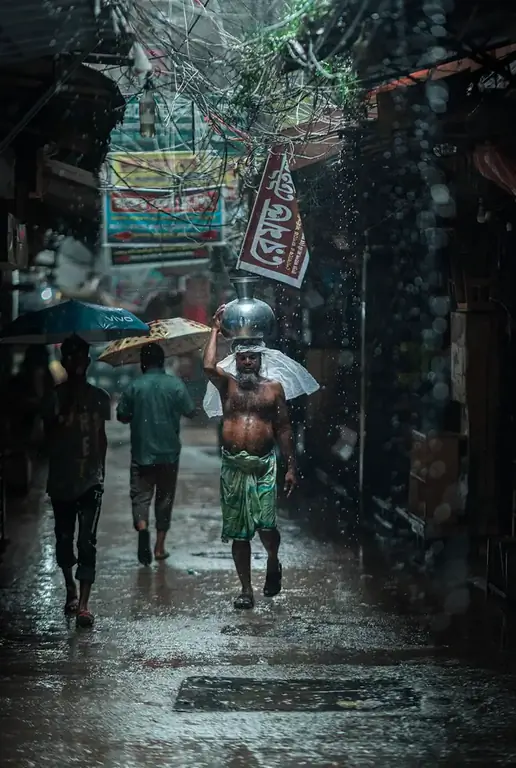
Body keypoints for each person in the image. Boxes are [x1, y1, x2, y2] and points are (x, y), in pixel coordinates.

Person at [203, 306, 304, 611]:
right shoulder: (227, 384)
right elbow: (208, 366)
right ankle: (246, 588)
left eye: (252, 356)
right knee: (239, 530)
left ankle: (273, 560)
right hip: (234, 465)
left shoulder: (273, 390)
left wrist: (291, 467)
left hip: (263, 465)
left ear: (261, 360)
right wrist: (215, 330)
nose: (247, 361)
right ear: (237, 360)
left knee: (266, 524)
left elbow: (284, 428)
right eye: (243, 357)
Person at [42, 335, 111, 628]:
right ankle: (69, 585)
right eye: (71, 358)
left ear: (88, 361)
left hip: (90, 480)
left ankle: (84, 603)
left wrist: (101, 471)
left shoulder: (99, 397)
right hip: (61, 480)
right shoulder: (54, 398)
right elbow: (46, 439)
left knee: (87, 541)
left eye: (82, 357)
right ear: (64, 362)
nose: (77, 363)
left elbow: (101, 437)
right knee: (63, 539)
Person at [116, 343, 195, 566]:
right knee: (165, 499)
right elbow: (190, 411)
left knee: (140, 497)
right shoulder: (175, 385)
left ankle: (142, 528)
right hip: (169, 454)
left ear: (142, 363)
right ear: (162, 361)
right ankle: (159, 547)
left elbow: (122, 416)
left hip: (142, 454)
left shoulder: (135, 386)